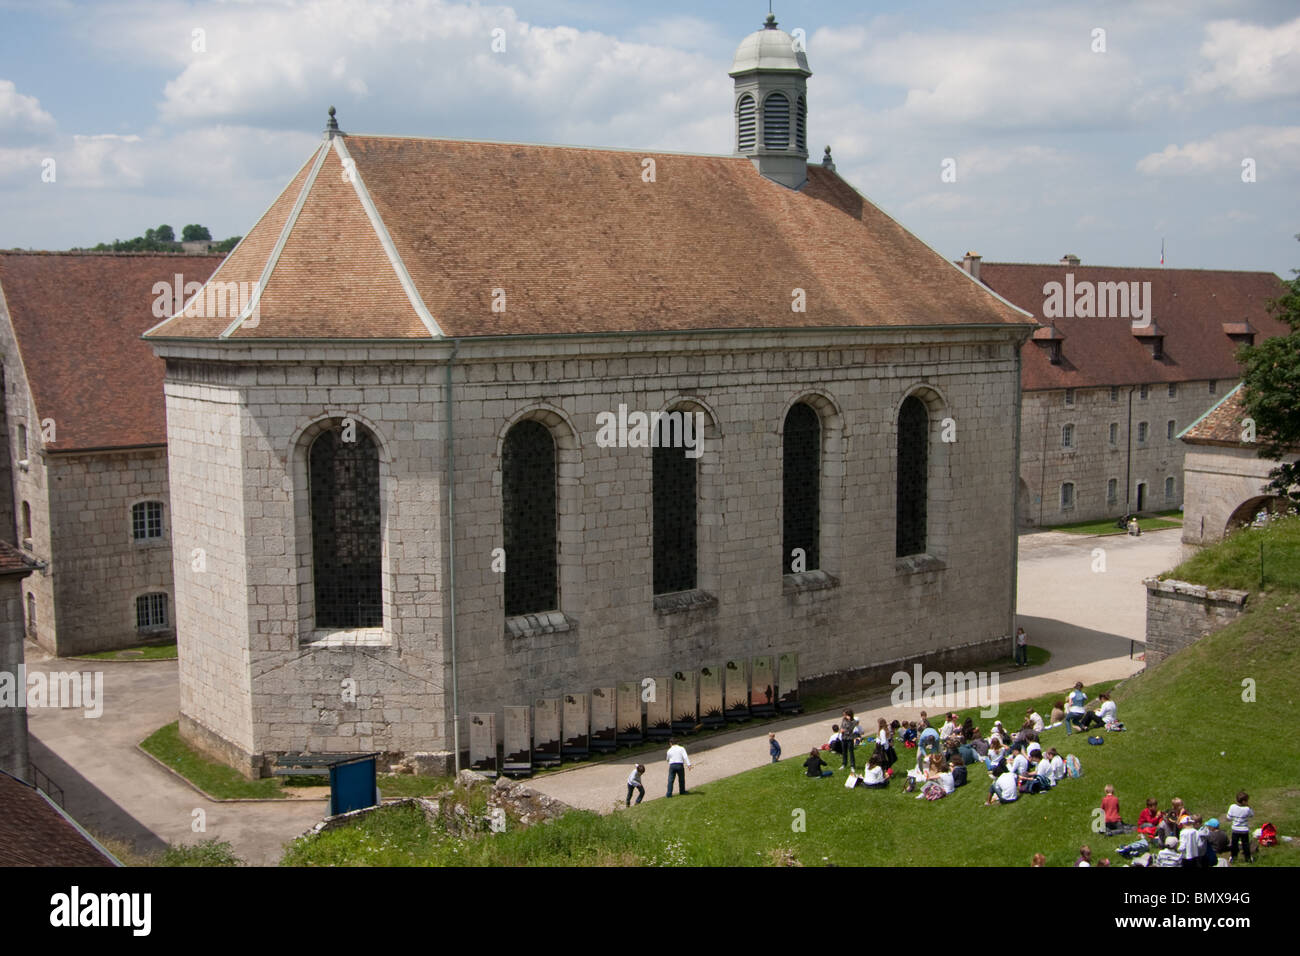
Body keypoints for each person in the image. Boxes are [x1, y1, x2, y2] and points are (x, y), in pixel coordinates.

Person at [1227, 791, 1254, 864]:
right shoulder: (1247, 809)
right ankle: (1248, 858)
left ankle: (1233, 857)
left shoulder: (1232, 807)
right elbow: (1252, 815)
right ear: (1244, 801)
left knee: (1234, 844)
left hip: (1235, 830)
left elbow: (1228, 817)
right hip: (1244, 830)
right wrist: (1248, 806)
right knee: (1245, 845)